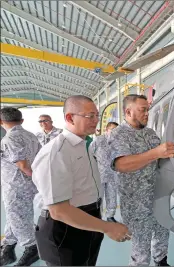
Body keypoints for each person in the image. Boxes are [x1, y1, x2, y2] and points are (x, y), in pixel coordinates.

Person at [31, 95, 130, 266]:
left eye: (97, 116)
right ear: (70, 117)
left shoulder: (85, 146)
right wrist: (108, 227)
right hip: (65, 228)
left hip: (88, 221)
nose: (96, 121)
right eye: (90, 116)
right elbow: (59, 210)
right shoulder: (56, 153)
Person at [109, 94, 174, 266]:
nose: (147, 113)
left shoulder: (150, 133)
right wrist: (156, 153)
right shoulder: (118, 135)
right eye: (143, 110)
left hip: (158, 195)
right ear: (128, 111)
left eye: (148, 109)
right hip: (136, 203)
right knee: (141, 246)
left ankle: (161, 260)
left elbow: (160, 160)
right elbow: (122, 164)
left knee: (163, 232)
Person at [0, 107, 41, 266]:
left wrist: (37, 179)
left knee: (18, 217)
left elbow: (23, 165)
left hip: (16, 187)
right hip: (27, 186)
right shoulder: (31, 136)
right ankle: (8, 247)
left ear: (1, 122)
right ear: (21, 120)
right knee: (14, 216)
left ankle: (31, 248)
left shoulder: (10, 139)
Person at [90, 121, 119, 222]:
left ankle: (110, 216)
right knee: (99, 196)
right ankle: (98, 217)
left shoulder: (118, 142)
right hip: (99, 174)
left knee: (112, 195)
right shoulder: (98, 140)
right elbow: (90, 153)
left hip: (113, 174)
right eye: (113, 130)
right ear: (107, 130)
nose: (115, 132)